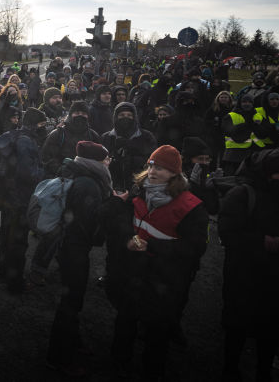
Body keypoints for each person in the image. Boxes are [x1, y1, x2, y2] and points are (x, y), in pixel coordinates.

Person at [107, 145, 208, 378]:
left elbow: (195, 247)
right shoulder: (138, 191)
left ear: (174, 173)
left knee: (157, 329)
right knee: (126, 319)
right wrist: (126, 240)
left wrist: (152, 247)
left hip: (164, 277)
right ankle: (118, 360)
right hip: (134, 270)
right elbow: (122, 222)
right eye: (151, 165)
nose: (153, 172)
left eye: (161, 168)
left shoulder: (191, 206)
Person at [46, 141, 114, 376]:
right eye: (106, 158)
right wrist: (114, 208)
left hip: (65, 242)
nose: (109, 162)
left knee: (71, 297)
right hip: (74, 247)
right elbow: (89, 225)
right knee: (70, 301)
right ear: (96, 161)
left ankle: (72, 341)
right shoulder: (89, 184)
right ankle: (58, 357)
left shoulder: (76, 172)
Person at [219, 148, 279, 381]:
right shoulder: (242, 194)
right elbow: (227, 232)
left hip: (273, 279)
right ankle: (230, 368)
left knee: (270, 328)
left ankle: (263, 372)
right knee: (237, 325)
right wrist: (262, 242)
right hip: (243, 273)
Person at [0, 107, 47, 293]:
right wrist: (43, 172)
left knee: (7, 237)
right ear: (34, 125)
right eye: (41, 125)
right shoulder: (27, 141)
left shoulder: (15, 136)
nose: (44, 128)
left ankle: (3, 274)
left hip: (8, 195)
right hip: (21, 197)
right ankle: (15, 282)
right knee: (18, 242)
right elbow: (27, 173)